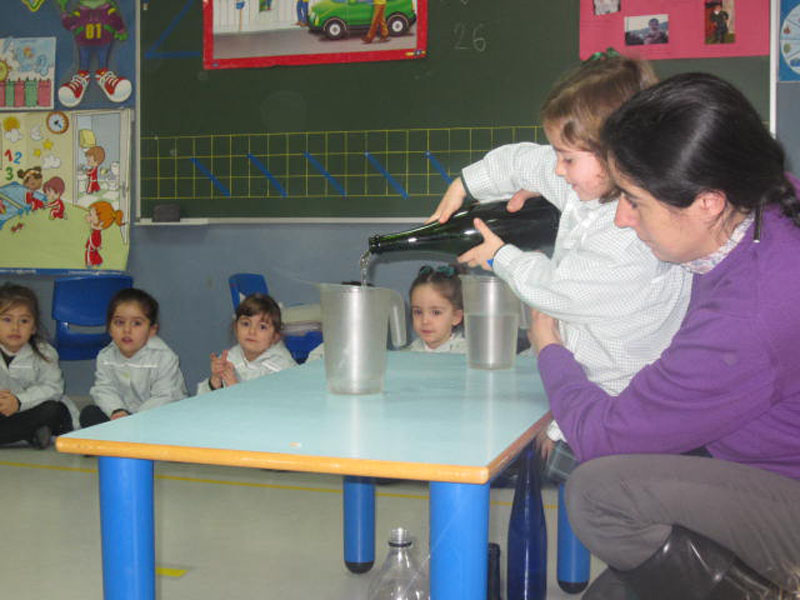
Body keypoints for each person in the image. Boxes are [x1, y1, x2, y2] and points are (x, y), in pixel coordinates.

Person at [526, 73, 800, 599]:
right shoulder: (763, 197)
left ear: (707, 202)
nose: (622, 219)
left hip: (786, 485)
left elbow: (604, 436)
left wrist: (550, 348)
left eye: (633, 199)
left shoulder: (754, 312)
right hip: (751, 456)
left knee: (597, 492)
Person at [429, 53, 692, 456]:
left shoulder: (632, 234)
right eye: (558, 154)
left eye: (567, 158)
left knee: (573, 484)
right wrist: (468, 183)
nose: (556, 170)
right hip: (586, 378)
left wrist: (503, 258)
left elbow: (559, 292)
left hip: (623, 398)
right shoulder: (585, 182)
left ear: (616, 154)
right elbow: (525, 162)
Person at [79, 288, 187, 427]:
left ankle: (126, 439)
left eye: (136, 323)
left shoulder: (165, 357)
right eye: (119, 322)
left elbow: (165, 396)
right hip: (121, 416)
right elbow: (104, 389)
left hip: (154, 415)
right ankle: (121, 440)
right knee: (89, 413)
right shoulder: (105, 356)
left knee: (170, 422)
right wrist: (117, 411)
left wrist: (134, 420)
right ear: (109, 329)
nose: (127, 330)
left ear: (152, 330)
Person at [0, 284, 73, 449]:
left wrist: (19, 402)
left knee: (54, 410)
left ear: (33, 327)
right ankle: (31, 433)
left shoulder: (45, 352)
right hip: (5, 414)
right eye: (7, 319)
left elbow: (53, 388)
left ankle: (31, 431)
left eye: (24, 321)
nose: (15, 327)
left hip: (34, 409)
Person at [197, 293, 295, 394]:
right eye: (246, 324)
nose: (252, 332)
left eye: (262, 327)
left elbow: (273, 405)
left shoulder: (282, 367)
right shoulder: (230, 359)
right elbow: (202, 403)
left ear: (275, 336)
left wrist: (236, 389)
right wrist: (215, 381)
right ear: (236, 328)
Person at [405, 265, 466, 353]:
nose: (425, 321)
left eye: (436, 312)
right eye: (418, 312)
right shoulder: (408, 353)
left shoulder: (467, 355)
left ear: (456, 317)